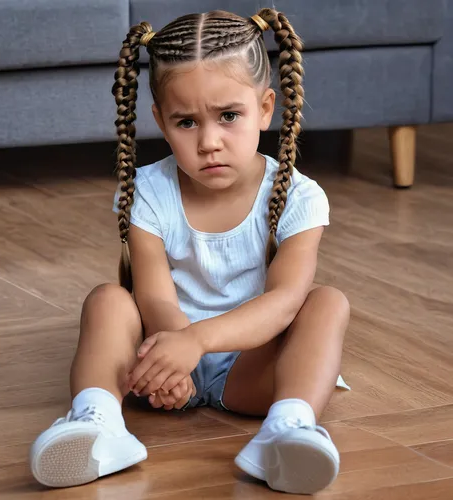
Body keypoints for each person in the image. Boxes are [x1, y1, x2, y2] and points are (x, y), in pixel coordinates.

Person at [29, 8, 351, 495]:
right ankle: (98, 422)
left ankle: (287, 428)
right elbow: (154, 296)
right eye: (186, 122)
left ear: (266, 108)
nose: (209, 142)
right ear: (160, 120)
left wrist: (198, 343)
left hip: (249, 368)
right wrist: (172, 354)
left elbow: (283, 303)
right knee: (107, 299)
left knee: (328, 303)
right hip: (157, 361)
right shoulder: (147, 193)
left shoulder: (300, 198)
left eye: (229, 116)